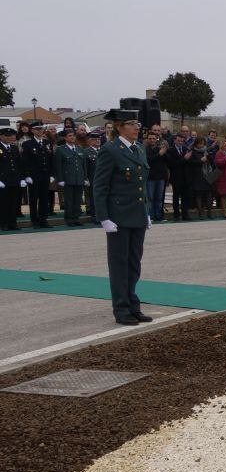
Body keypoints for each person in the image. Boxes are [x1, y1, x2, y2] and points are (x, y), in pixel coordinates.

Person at [93, 109, 152, 326]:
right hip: (118, 218)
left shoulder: (139, 149)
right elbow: (100, 187)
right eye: (131, 124)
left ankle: (133, 305)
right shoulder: (110, 150)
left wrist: (146, 212)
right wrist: (104, 218)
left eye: (137, 123)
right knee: (119, 265)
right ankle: (121, 309)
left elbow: (141, 185)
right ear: (119, 127)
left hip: (136, 216)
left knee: (134, 264)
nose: (137, 127)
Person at [21, 121, 53, 228]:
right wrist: (27, 175)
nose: (40, 131)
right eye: (38, 129)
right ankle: (34, 220)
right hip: (34, 176)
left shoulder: (47, 143)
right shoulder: (27, 144)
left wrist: (52, 174)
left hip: (45, 175)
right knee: (34, 198)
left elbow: (50, 159)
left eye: (41, 129)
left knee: (44, 198)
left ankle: (43, 219)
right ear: (33, 130)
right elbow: (25, 161)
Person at [53, 129, 87, 226]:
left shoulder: (79, 149)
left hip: (79, 178)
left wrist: (85, 178)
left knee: (78, 200)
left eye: (73, 135)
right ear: (65, 138)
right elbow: (58, 166)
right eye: (70, 136)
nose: (73, 137)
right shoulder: (60, 149)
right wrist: (60, 179)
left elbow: (83, 165)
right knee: (69, 200)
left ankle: (76, 218)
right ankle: (69, 219)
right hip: (68, 179)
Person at [165, 135, 191, 221]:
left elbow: (188, 163)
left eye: (181, 141)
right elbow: (173, 164)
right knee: (176, 197)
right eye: (179, 141)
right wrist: (184, 159)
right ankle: (176, 215)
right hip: (176, 177)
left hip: (186, 177)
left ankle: (185, 214)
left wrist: (187, 159)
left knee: (185, 197)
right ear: (174, 140)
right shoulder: (170, 150)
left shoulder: (185, 149)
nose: (180, 143)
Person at [0, 128, 22, 230]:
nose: (11, 138)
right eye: (8, 136)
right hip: (3, 180)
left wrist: (21, 178)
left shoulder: (14, 148)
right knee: (3, 203)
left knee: (14, 202)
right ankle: (3, 223)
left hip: (14, 180)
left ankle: (12, 223)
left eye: (12, 136)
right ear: (1, 136)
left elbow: (18, 164)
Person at [188, 138, 214, 219]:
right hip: (198, 176)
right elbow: (192, 163)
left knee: (209, 194)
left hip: (208, 175)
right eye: (199, 143)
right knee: (199, 194)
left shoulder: (206, 151)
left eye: (203, 143)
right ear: (196, 144)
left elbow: (212, 162)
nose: (201, 145)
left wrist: (209, 157)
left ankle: (209, 212)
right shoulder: (193, 152)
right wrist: (201, 160)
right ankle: (200, 212)